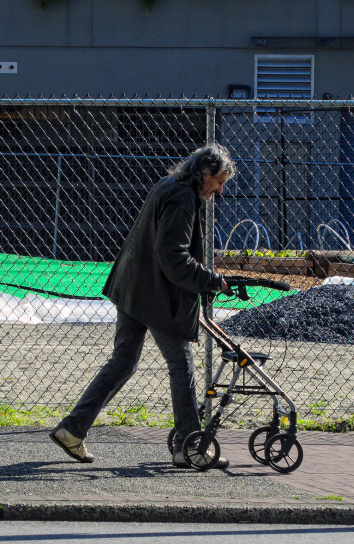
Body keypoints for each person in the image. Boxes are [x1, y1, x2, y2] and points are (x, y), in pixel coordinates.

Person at [49, 143, 236, 469]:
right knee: (181, 366)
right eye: (219, 181)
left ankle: (72, 429)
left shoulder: (168, 184)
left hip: (133, 288)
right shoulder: (183, 199)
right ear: (205, 174)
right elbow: (173, 258)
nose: (219, 190)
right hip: (156, 297)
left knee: (122, 363)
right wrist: (210, 279)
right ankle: (189, 447)